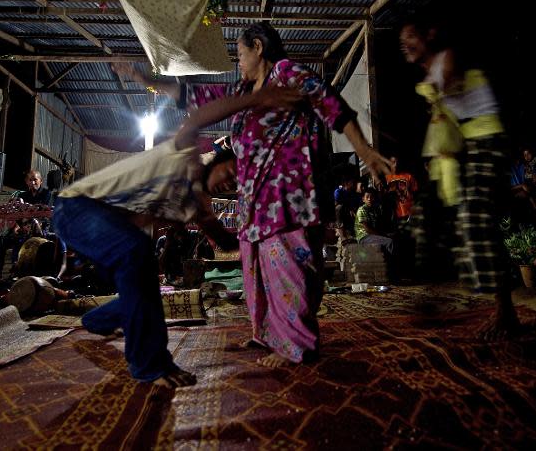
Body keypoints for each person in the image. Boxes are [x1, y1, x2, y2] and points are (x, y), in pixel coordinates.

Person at [118, 22, 391, 368]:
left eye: (240, 53)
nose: (238, 60)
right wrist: (145, 80)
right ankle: (265, 335)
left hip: (288, 195)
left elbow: (331, 103)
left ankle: (296, 346)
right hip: (254, 202)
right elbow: (193, 96)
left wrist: (364, 151)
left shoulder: (286, 73)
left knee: (289, 269)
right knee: (256, 274)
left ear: (258, 47)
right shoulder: (243, 91)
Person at [54, 81, 301, 387]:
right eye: (231, 172)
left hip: (105, 225)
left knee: (145, 284)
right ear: (218, 163)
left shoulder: (200, 209)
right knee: (138, 254)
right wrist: (258, 98)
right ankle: (149, 365)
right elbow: (198, 117)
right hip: (74, 208)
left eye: (238, 183)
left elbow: (227, 242)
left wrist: (278, 239)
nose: (232, 183)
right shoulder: (187, 155)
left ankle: (96, 321)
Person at [399, 16, 519, 339]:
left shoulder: (447, 58)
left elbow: (449, 82)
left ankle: (504, 310)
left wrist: (433, 92)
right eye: (401, 41)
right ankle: (436, 295)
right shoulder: (429, 74)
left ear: (430, 33)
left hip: (488, 140)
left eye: (410, 36)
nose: (404, 45)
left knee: (475, 216)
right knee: (428, 218)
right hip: (467, 146)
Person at [355, 187, 394, 257]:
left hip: (372, 236)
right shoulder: (362, 210)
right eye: (367, 197)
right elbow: (367, 229)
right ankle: (390, 266)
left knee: (394, 238)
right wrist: (382, 235)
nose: (369, 199)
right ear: (363, 199)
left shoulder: (374, 210)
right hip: (364, 237)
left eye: (371, 197)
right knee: (389, 242)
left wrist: (386, 234)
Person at [385, 156, 418, 227]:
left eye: (397, 162)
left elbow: (416, 194)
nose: (396, 165)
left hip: (409, 212)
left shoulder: (408, 176)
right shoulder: (386, 178)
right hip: (395, 214)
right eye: (393, 162)